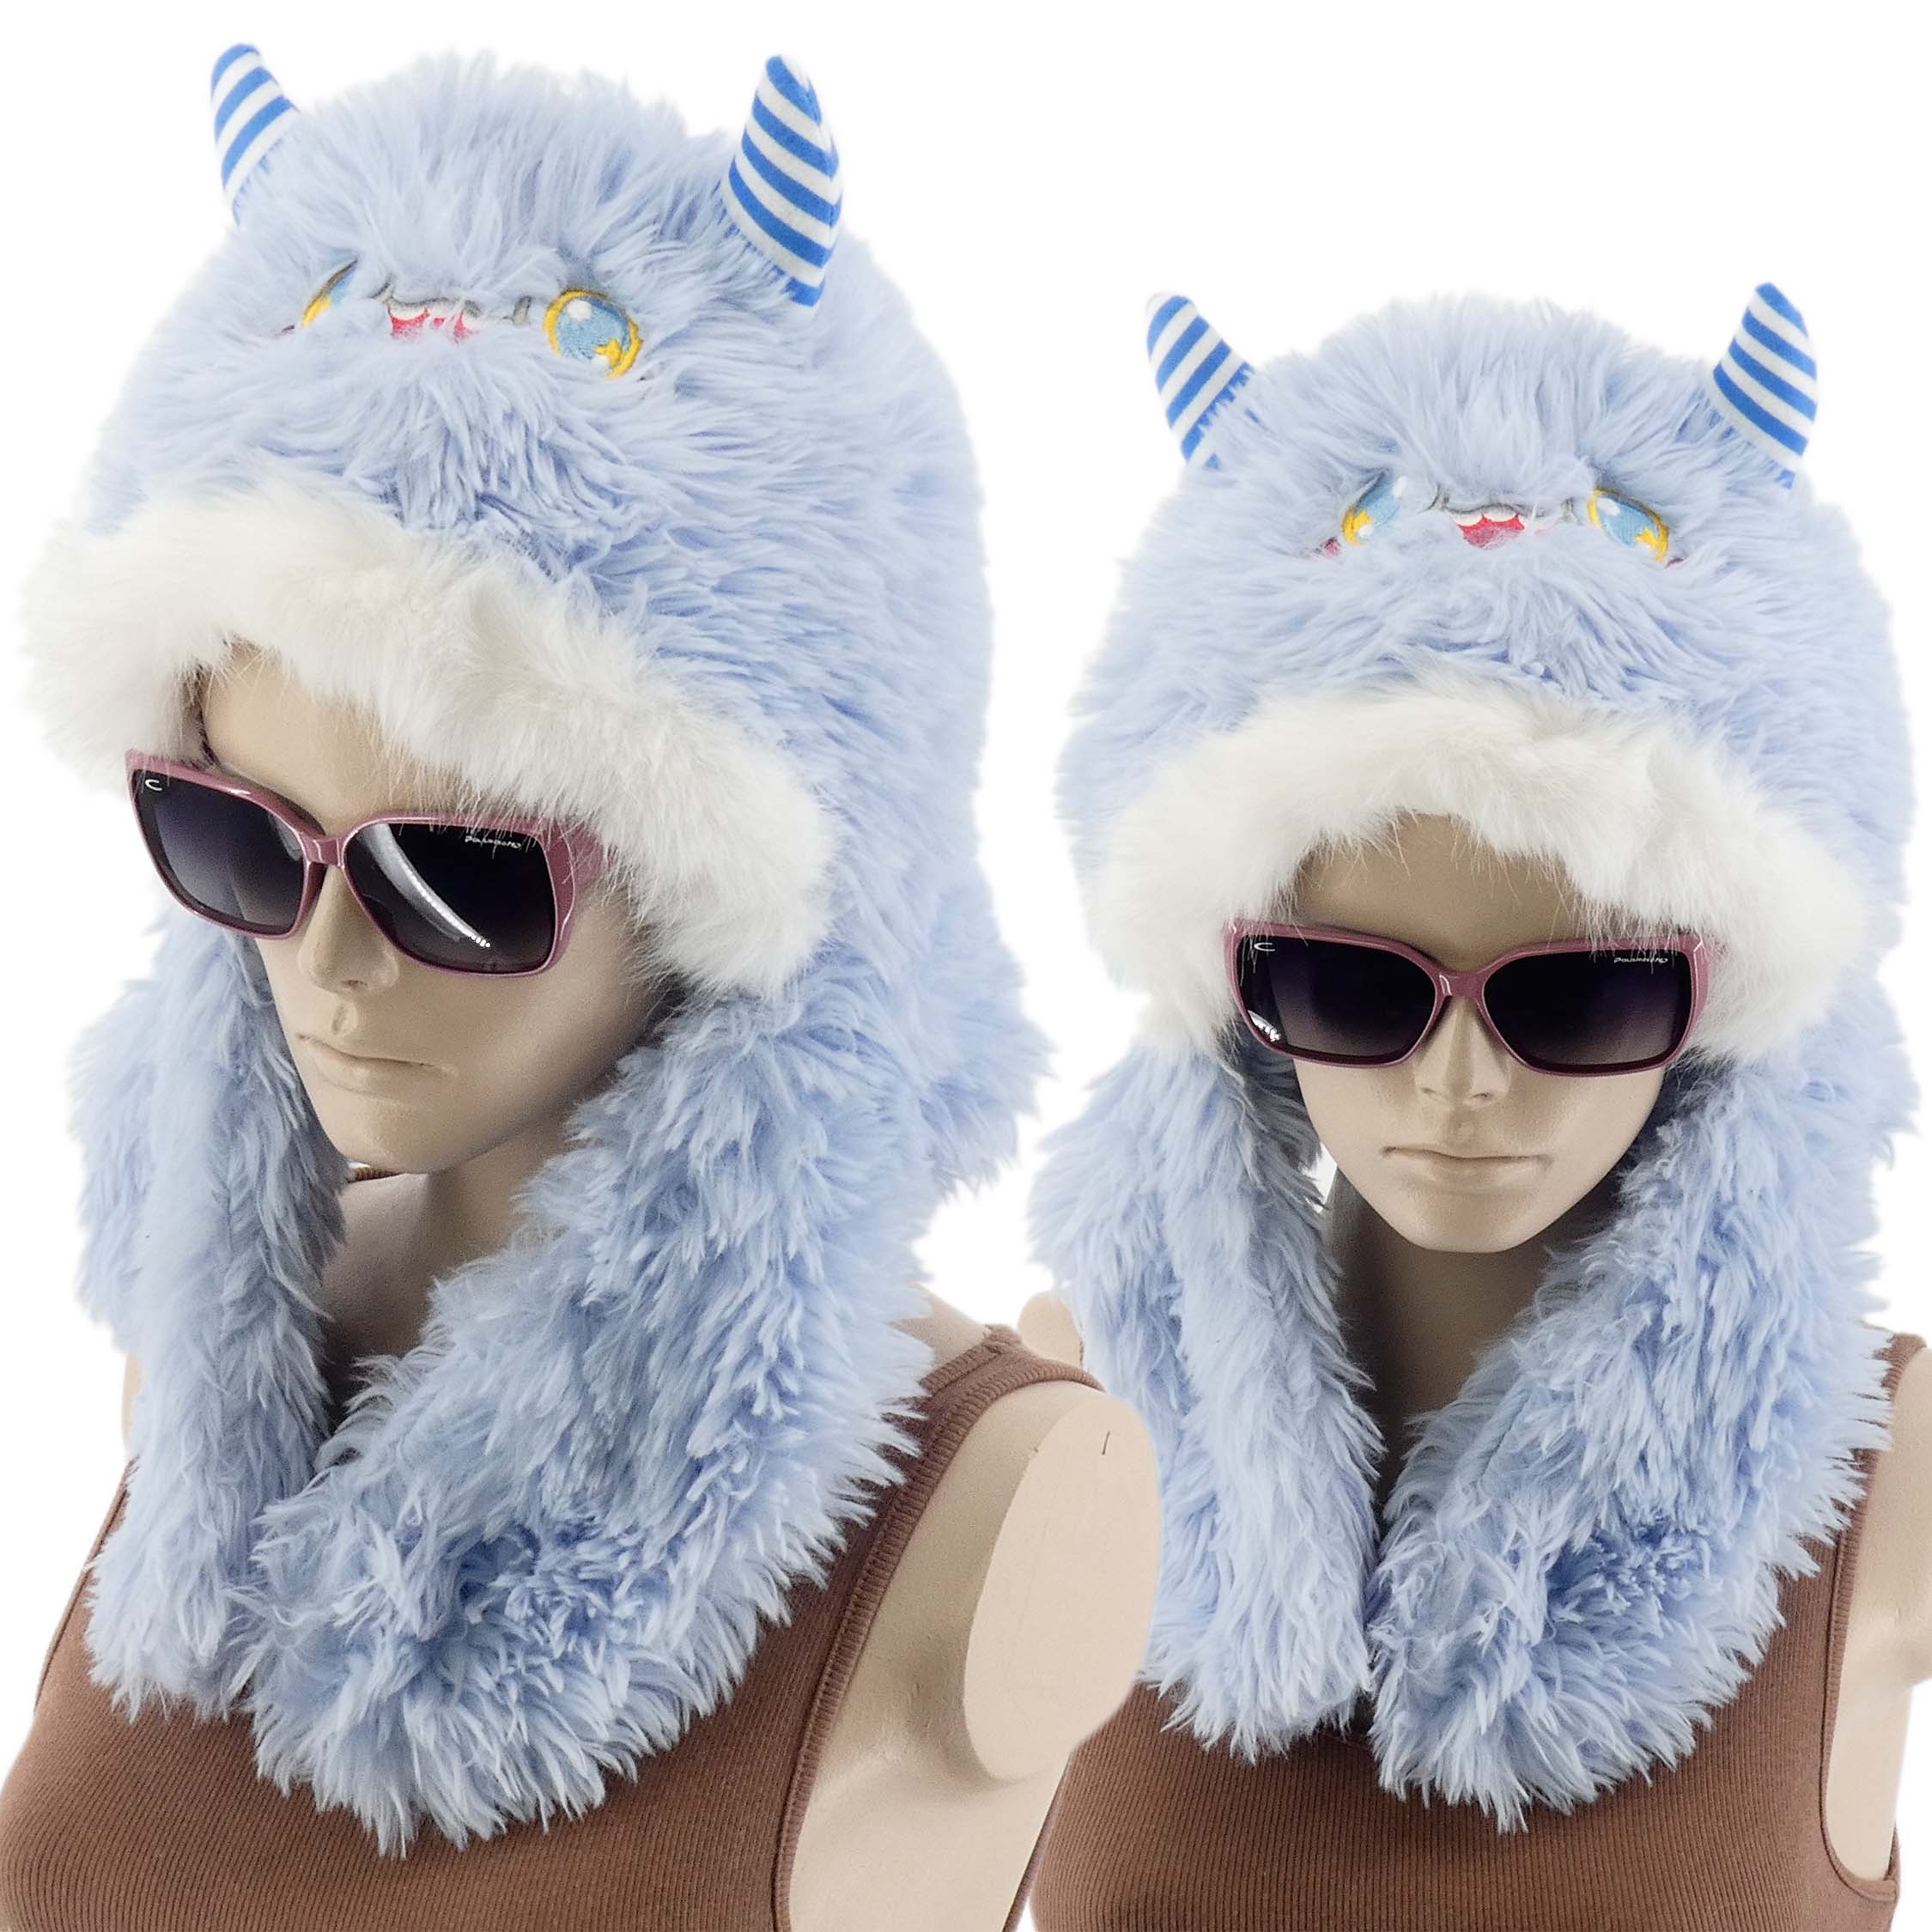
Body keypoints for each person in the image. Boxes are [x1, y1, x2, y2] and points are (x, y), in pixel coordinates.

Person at [0, 46, 1157, 1932]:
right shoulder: (215, 1377)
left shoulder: (997, 1505)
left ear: (728, 885)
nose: (327, 957)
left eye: (456, 872)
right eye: (237, 838)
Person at [1021, 286, 1930, 1929]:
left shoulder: (1898, 1469)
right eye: (1347, 985)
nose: (1456, 1080)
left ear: (1721, 1002)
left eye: (1581, 995)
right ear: (1233, 983)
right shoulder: (1067, 1409)